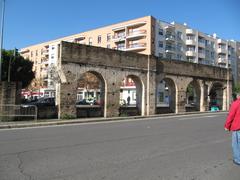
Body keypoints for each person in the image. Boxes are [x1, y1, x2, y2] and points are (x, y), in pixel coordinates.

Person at [224, 92, 240, 165]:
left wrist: (227, 126)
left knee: (236, 144)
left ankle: (238, 160)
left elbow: (231, 116)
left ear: (238, 96)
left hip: (238, 128)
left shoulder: (236, 103)